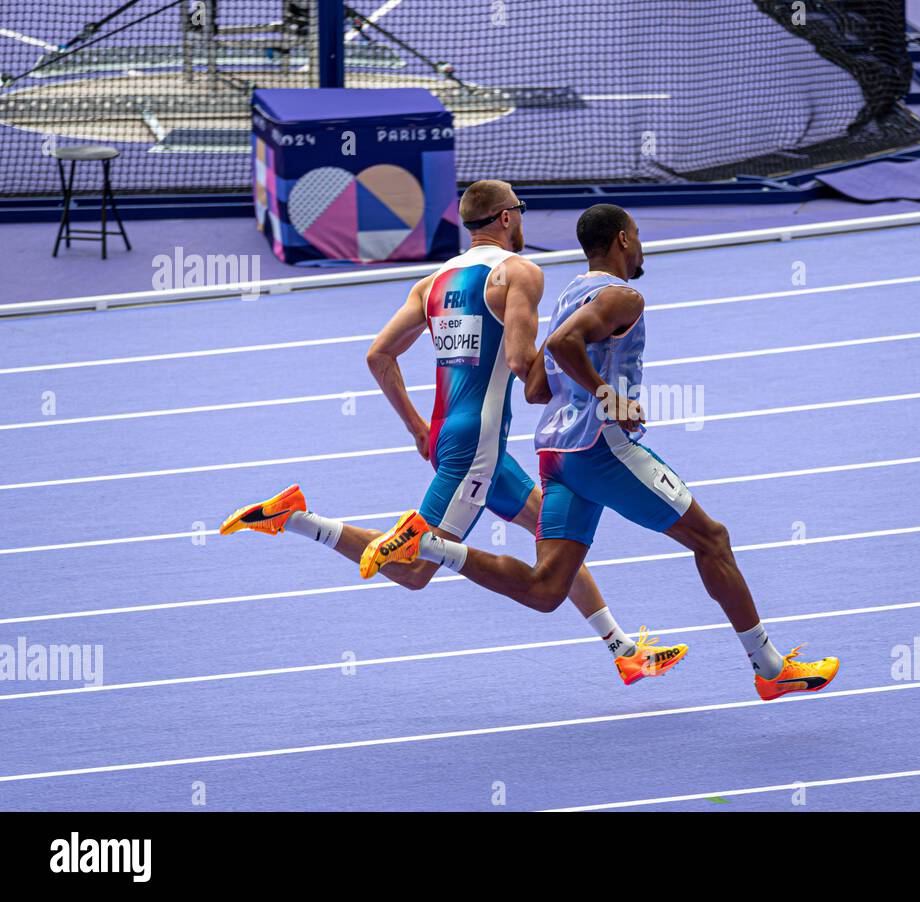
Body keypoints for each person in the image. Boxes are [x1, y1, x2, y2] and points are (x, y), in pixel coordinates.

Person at [362, 203, 840, 701]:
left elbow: (537, 389)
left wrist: (583, 385)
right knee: (712, 540)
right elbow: (566, 345)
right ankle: (770, 667)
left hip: (556, 455)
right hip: (603, 450)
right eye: (637, 234)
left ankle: (432, 544)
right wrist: (608, 395)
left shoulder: (570, 293)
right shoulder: (623, 297)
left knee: (546, 589)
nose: (641, 245)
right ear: (622, 240)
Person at [220, 182, 686, 687]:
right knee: (415, 570)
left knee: (547, 535)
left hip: (451, 431)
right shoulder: (519, 272)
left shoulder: (433, 283)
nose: (524, 222)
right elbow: (519, 361)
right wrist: (584, 389)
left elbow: (379, 355)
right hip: (479, 446)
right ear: (506, 218)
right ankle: (297, 516)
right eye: (521, 213)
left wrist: (419, 428)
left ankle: (623, 651)